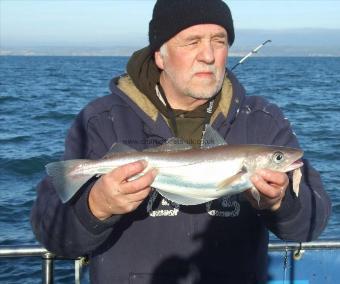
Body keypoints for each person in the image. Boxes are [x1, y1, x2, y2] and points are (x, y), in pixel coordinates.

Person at [31, 0, 331, 283]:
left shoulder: (263, 121)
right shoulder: (102, 121)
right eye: (192, 41)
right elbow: (54, 235)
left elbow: (311, 222)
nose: (209, 55)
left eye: (219, 40)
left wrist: (281, 204)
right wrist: (96, 206)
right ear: (159, 56)